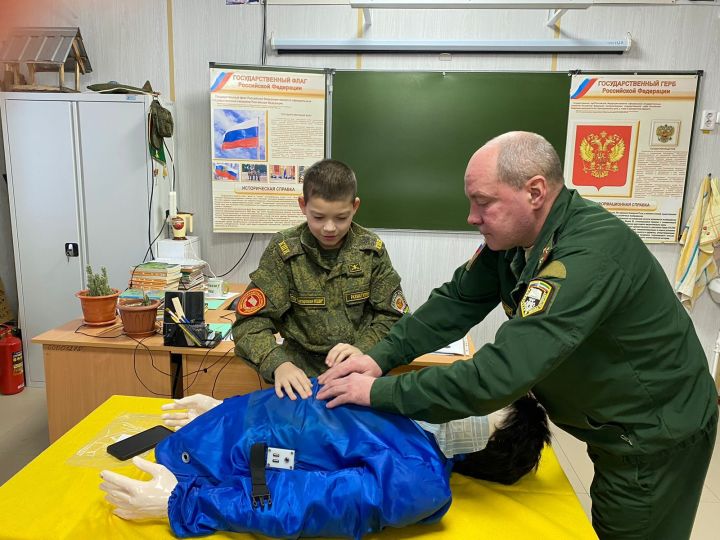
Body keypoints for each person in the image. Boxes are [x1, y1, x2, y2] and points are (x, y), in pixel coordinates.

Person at [317, 131, 719, 540]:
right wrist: (378, 357)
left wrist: (375, 392)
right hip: (607, 423)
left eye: (483, 202)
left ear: (535, 191)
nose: (472, 216)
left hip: (653, 435)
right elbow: (455, 302)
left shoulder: (590, 254)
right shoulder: (516, 239)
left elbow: (496, 377)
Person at [99, 383, 550, 539]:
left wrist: (182, 502)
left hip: (188, 473)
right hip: (206, 430)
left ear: (480, 444)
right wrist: (226, 408)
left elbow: (298, 502)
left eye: (482, 409)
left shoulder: (417, 480)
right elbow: (307, 411)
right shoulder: (402, 405)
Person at [232, 158, 409, 400]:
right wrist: (278, 364)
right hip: (299, 381)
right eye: (318, 217)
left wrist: (363, 348)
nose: (329, 228)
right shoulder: (284, 251)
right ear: (303, 205)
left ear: (355, 207)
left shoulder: (371, 251)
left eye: (341, 218)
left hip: (358, 376)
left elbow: (394, 317)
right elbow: (249, 324)